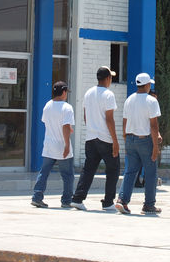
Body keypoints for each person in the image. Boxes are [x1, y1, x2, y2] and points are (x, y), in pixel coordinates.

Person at [70, 66, 121, 211]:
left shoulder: (88, 93)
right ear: (107, 78)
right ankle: (108, 202)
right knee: (113, 169)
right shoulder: (108, 94)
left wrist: (92, 129)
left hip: (91, 137)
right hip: (105, 138)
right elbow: (109, 119)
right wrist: (115, 141)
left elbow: (86, 117)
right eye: (111, 78)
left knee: (88, 169)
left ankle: (78, 198)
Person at [115, 72, 162, 215]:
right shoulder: (151, 101)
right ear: (147, 85)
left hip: (130, 138)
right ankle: (149, 205)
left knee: (130, 171)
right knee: (151, 173)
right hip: (145, 140)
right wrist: (155, 146)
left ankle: (122, 200)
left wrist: (126, 140)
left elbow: (124, 122)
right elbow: (153, 125)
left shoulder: (129, 100)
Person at [31, 81, 75, 209]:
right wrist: (67, 145)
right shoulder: (67, 107)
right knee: (67, 175)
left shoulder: (48, 105)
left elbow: (49, 122)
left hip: (49, 145)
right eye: (66, 92)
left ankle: (37, 197)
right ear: (63, 92)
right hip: (61, 145)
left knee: (44, 172)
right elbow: (65, 126)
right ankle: (66, 200)